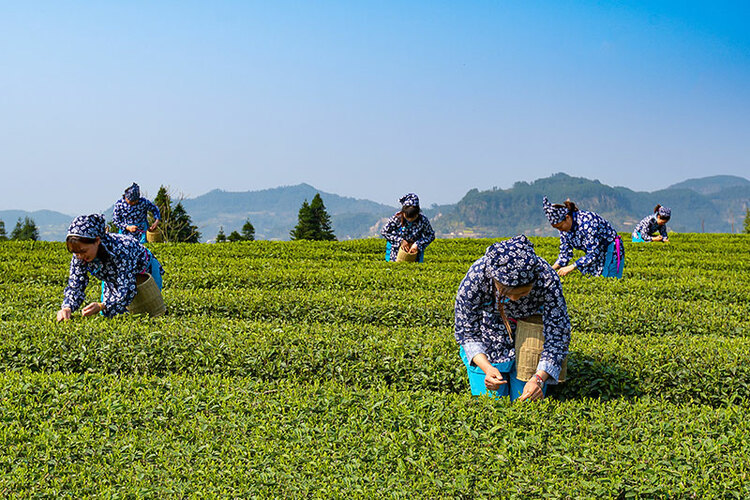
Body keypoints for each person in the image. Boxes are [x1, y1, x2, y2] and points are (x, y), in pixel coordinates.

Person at [454, 235, 570, 401]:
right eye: (507, 294)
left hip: (530, 338)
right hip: (489, 336)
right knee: (491, 403)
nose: (515, 299)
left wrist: (538, 378)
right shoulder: (476, 278)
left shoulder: (547, 278)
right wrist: (487, 368)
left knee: (527, 400)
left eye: (523, 293)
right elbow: (467, 331)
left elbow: (558, 333)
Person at [56, 214, 164, 321]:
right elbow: (76, 283)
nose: (80, 256)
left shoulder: (121, 249)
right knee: (111, 314)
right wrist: (67, 307)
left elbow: (126, 289)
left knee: (150, 313)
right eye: (75, 253)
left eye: (84, 251)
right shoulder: (79, 255)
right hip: (112, 277)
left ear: (97, 241)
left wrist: (101, 305)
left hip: (143, 272)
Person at [543, 197, 624, 279]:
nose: (560, 230)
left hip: (610, 250)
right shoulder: (564, 230)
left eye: (560, 226)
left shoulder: (587, 222)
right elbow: (565, 254)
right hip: (596, 255)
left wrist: (571, 267)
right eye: (557, 228)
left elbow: (593, 253)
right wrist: (551, 270)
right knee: (594, 282)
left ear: (567, 217)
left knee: (608, 281)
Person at [381, 193, 436, 262]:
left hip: (414, 253)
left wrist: (417, 244)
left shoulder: (423, 220)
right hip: (396, 252)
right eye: (407, 217)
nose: (410, 220)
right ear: (403, 212)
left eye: (413, 217)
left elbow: (430, 235)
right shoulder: (396, 218)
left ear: (418, 213)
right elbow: (385, 232)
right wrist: (400, 241)